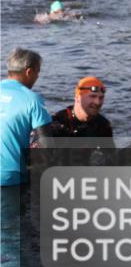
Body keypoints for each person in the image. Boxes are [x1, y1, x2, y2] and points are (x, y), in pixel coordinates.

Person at [1, 48, 53, 186]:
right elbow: (46, 143)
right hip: (9, 177)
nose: (37, 77)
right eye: (37, 72)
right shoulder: (33, 99)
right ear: (29, 72)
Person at [49, 77, 114, 146]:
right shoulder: (57, 123)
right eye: (92, 96)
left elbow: (110, 155)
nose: (97, 102)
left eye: (101, 98)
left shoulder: (103, 125)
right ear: (77, 97)